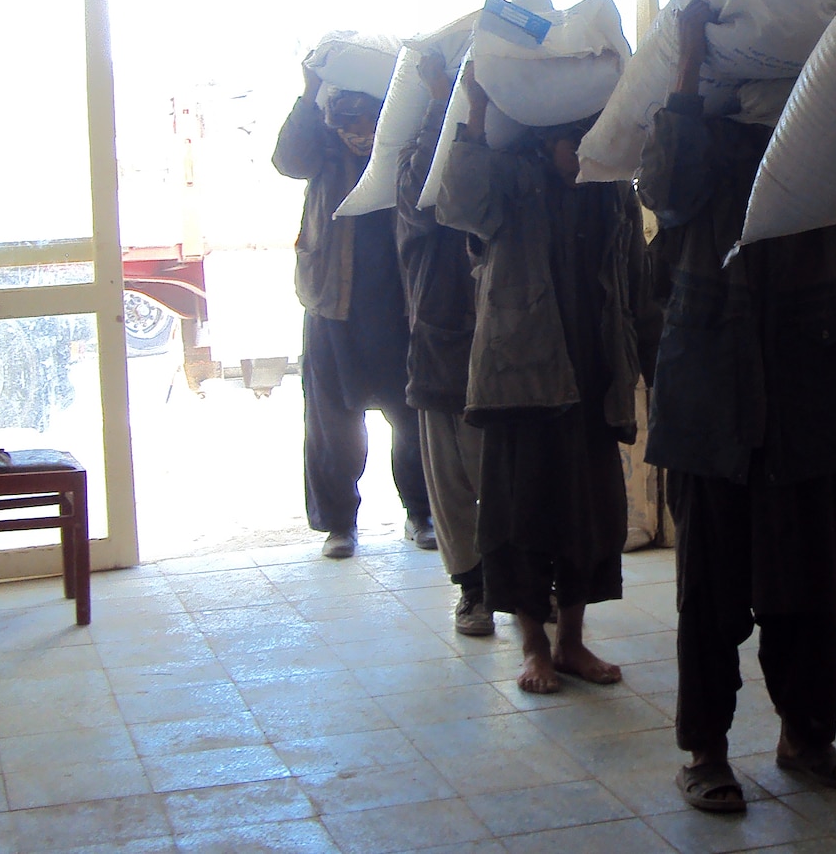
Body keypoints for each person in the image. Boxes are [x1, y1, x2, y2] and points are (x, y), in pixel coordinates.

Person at [637, 0, 836, 813]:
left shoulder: (829, 141)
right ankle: (705, 751)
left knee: (810, 588)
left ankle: (807, 736)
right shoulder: (694, 137)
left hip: (807, 391)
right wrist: (687, 69)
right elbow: (664, 192)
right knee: (711, 593)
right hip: (713, 402)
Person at [434, 71, 651, 693]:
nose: (581, 158)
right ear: (545, 141)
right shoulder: (508, 178)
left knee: (587, 519)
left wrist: (647, 363)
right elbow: (456, 203)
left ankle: (572, 644)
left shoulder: (612, 191)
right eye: (572, 145)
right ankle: (533, 648)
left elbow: (637, 281)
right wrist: (475, 110)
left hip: (593, 377)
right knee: (520, 518)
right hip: (520, 378)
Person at [273, 66, 435, 560]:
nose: (358, 131)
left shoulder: (403, 143)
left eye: (367, 120)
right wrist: (308, 92)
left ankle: (422, 513)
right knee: (332, 425)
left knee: (414, 418)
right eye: (349, 120)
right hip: (332, 301)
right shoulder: (322, 146)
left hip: (400, 306)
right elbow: (288, 160)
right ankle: (340, 525)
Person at [398, 56, 491, 635]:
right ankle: (473, 590)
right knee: (452, 483)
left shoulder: (506, 161)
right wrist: (441, 102)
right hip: (441, 344)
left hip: (503, 344)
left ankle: (529, 584)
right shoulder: (415, 177)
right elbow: (421, 198)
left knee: (503, 476)